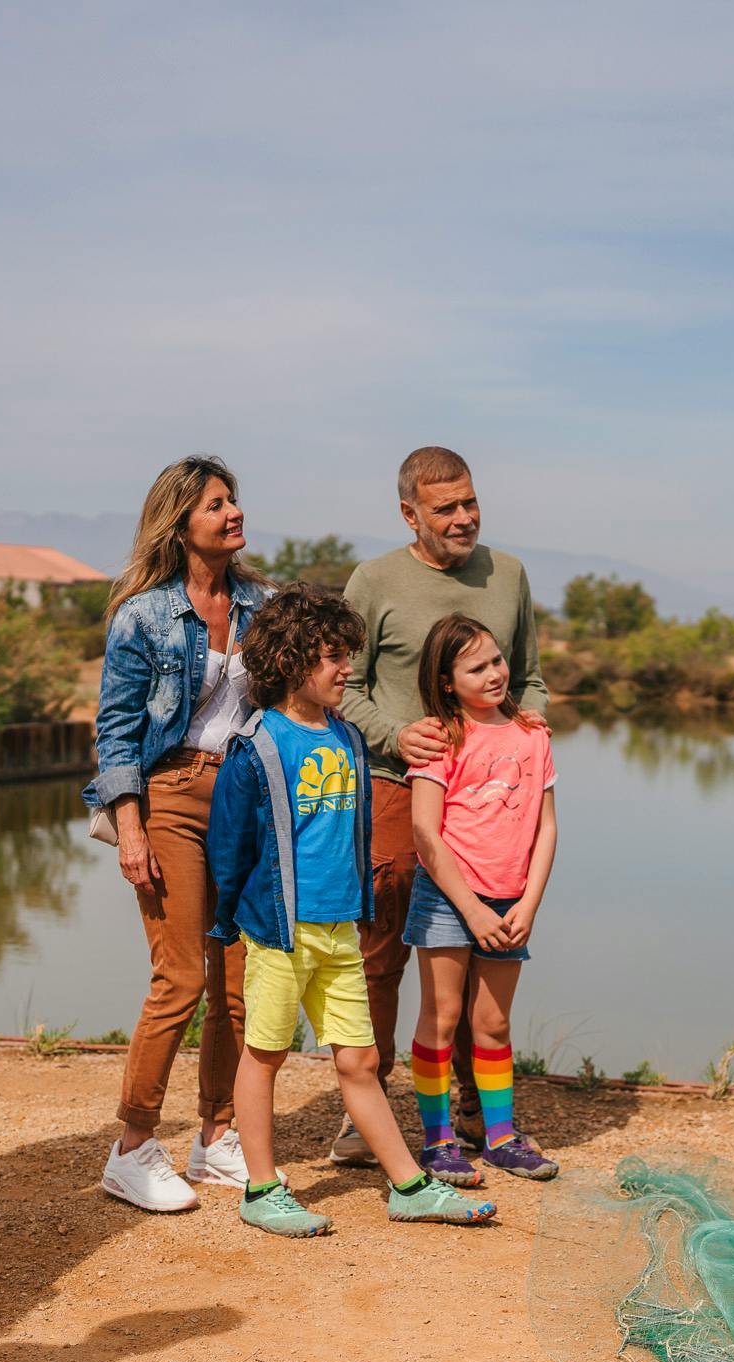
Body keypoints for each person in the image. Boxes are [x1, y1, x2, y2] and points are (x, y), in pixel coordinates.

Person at [206, 583, 497, 1236]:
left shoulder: (344, 738)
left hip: (339, 930)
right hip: (280, 935)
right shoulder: (256, 747)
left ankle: (409, 1188)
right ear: (289, 661)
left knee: (359, 1062)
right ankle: (259, 1190)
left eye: (347, 655)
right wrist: (227, 922)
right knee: (265, 1055)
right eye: (333, 657)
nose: (346, 670)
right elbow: (228, 848)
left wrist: (361, 908)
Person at [337, 447, 552, 1167]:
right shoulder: (373, 581)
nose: (462, 518)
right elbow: (341, 684)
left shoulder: (509, 574)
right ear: (409, 514)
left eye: (469, 502)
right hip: (399, 788)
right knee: (385, 950)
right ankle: (365, 1106)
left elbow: (530, 680)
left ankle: (474, 1115)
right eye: (444, 509)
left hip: (493, 798)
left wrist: (526, 738)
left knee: (484, 940)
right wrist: (393, 734)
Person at [85, 456, 267, 1211]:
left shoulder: (263, 605)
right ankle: (131, 1146)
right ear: (180, 523)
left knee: (234, 985)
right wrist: (130, 827)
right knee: (181, 978)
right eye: (215, 505)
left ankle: (216, 1136)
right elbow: (116, 731)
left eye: (233, 500)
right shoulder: (144, 615)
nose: (233, 513)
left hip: (240, 799)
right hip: (169, 798)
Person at [403, 615, 561, 1185]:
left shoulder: (532, 733)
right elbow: (425, 831)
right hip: (449, 900)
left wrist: (529, 904)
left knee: (492, 1024)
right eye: (476, 667)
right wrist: (470, 907)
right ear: (447, 681)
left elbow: (546, 829)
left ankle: (498, 1137)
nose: (494, 673)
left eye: (496, 660)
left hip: (510, 901)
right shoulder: (440, 737)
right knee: (441, 1019)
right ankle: (438, 1141)